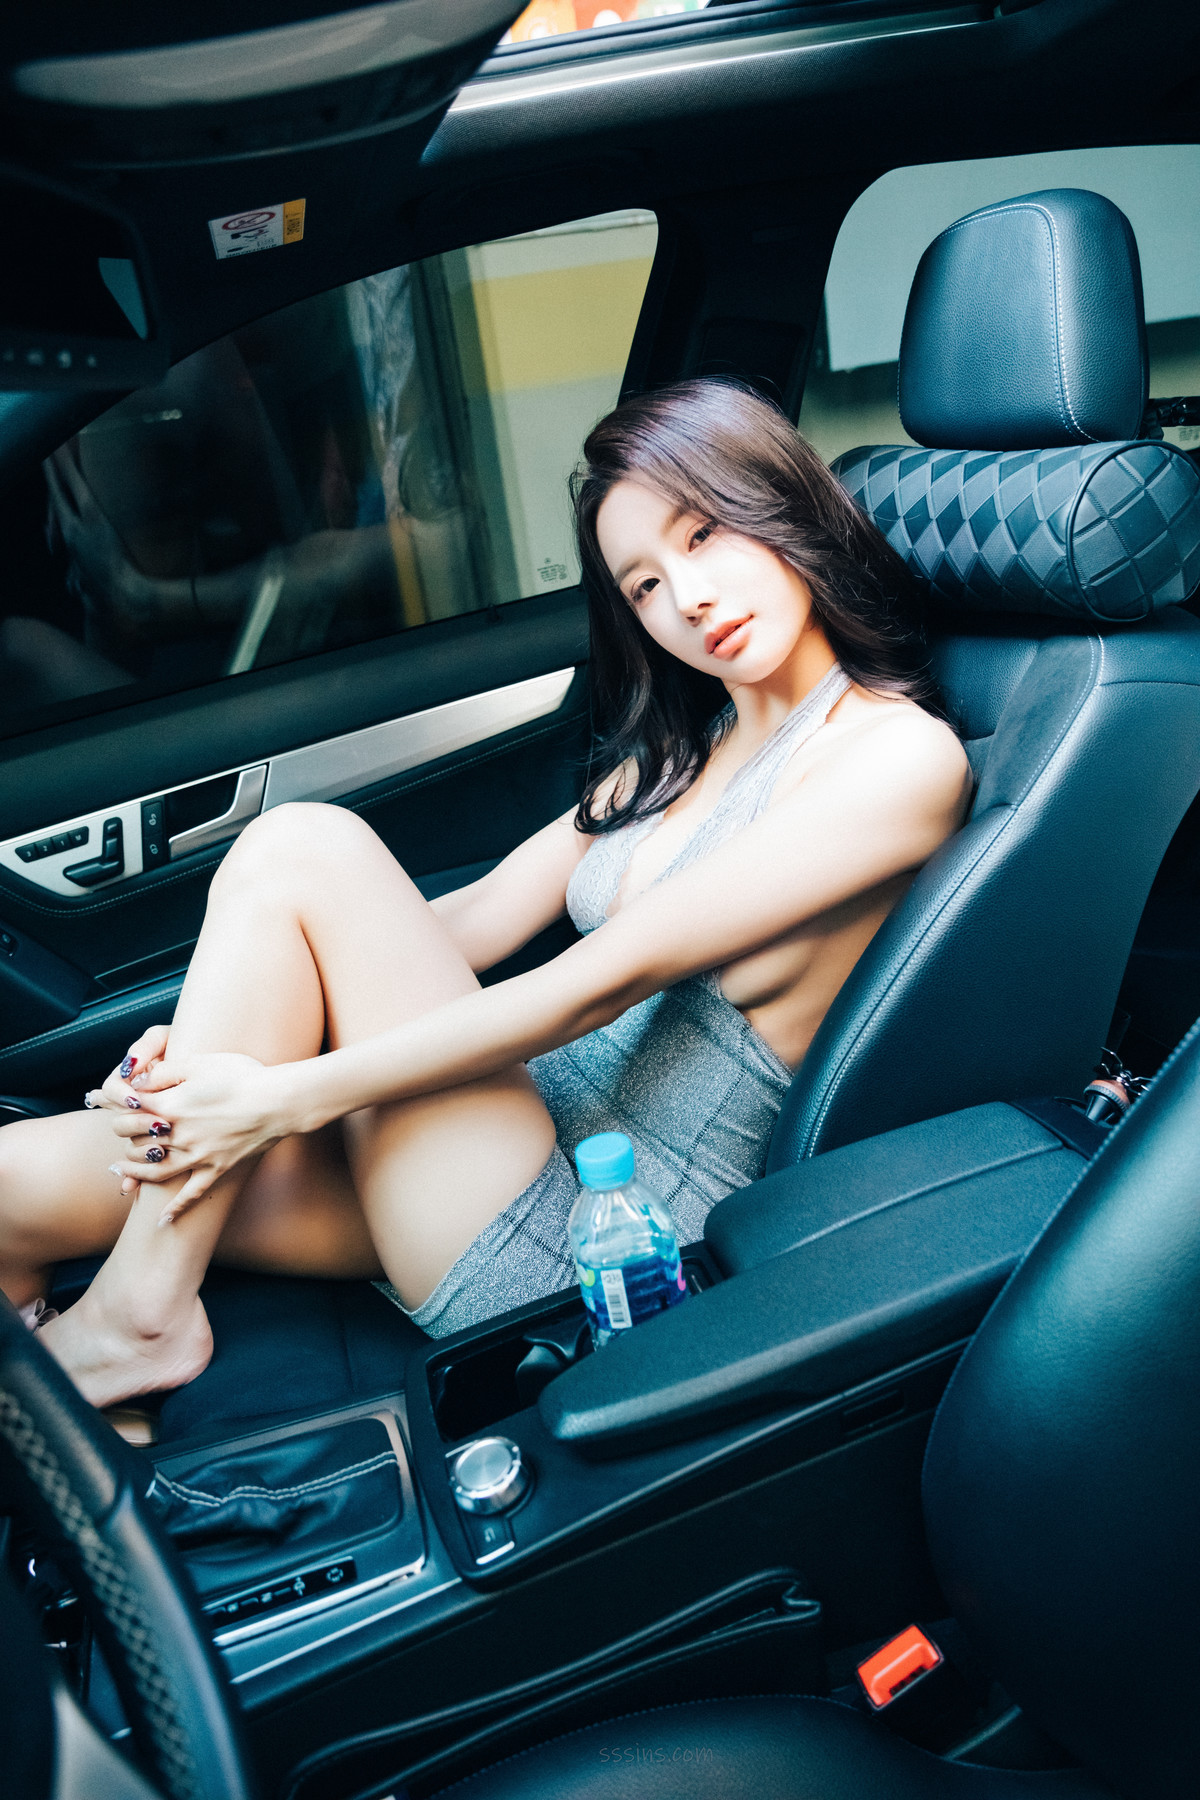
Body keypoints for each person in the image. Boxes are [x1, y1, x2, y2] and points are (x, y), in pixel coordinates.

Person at [0, 379, 971, 1411]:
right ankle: (110, 1430)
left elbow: (592, 987)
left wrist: (276, 1099)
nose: (687, 599)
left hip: (596, 1236)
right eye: (644, 585)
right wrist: (211, 1041)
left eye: (704, 535)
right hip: (490, 1137)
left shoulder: (895, 758)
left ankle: (140, 1319)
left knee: (302, 845)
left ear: (782, 506)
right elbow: (458, 926)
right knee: (12, 1182)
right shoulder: (691, 749)